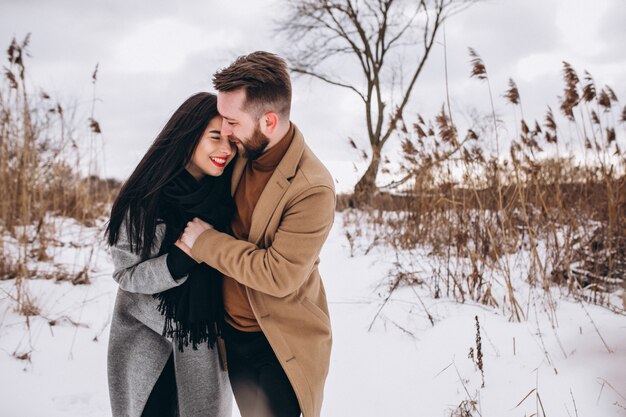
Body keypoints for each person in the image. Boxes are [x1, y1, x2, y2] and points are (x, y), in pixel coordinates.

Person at [181, 52, 336, 417]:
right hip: (233, 338)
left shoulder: (312, 188)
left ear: (268, 121)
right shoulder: (240, 152)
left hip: (280, 347)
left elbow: (278, 275)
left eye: (232, 122)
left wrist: (206, 243)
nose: (225, 131)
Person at [105, 92, 235, 417]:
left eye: (231, 141)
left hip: (201, 345)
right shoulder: (147, 199)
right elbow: (125, 274)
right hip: (148, 343)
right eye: (215, 137)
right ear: (189, 136)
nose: (225, 150)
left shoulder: (229, 199)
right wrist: (177, 261)